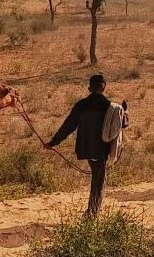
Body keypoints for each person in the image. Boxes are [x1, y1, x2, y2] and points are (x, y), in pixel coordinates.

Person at [46, 74, 112, 215]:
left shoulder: (81, 105)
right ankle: (92, 212)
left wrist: (53, 142)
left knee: (97, 175)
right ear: (104, 88)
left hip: (86, 148)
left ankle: (92, 210)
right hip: (102, 149)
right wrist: (125, 111)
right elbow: (121, 125)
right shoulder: (109, 106)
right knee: (99, 179)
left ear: (89, 88)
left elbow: (68, 126)